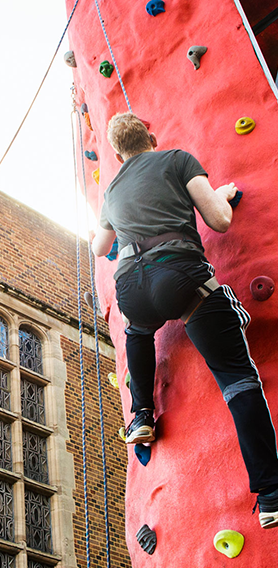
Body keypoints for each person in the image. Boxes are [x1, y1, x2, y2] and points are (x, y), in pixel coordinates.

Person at [90, 112, 278, 529]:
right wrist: (223, 195)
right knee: (238, 381)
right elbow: (219, 220)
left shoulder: (113, 188)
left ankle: (140, 415)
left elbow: (100, 244)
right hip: (180, 274)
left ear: (119, 155)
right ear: (151, 138)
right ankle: (271, 495)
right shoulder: (177, 159)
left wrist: (124, 226)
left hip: (131, 286)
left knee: (137, 330)